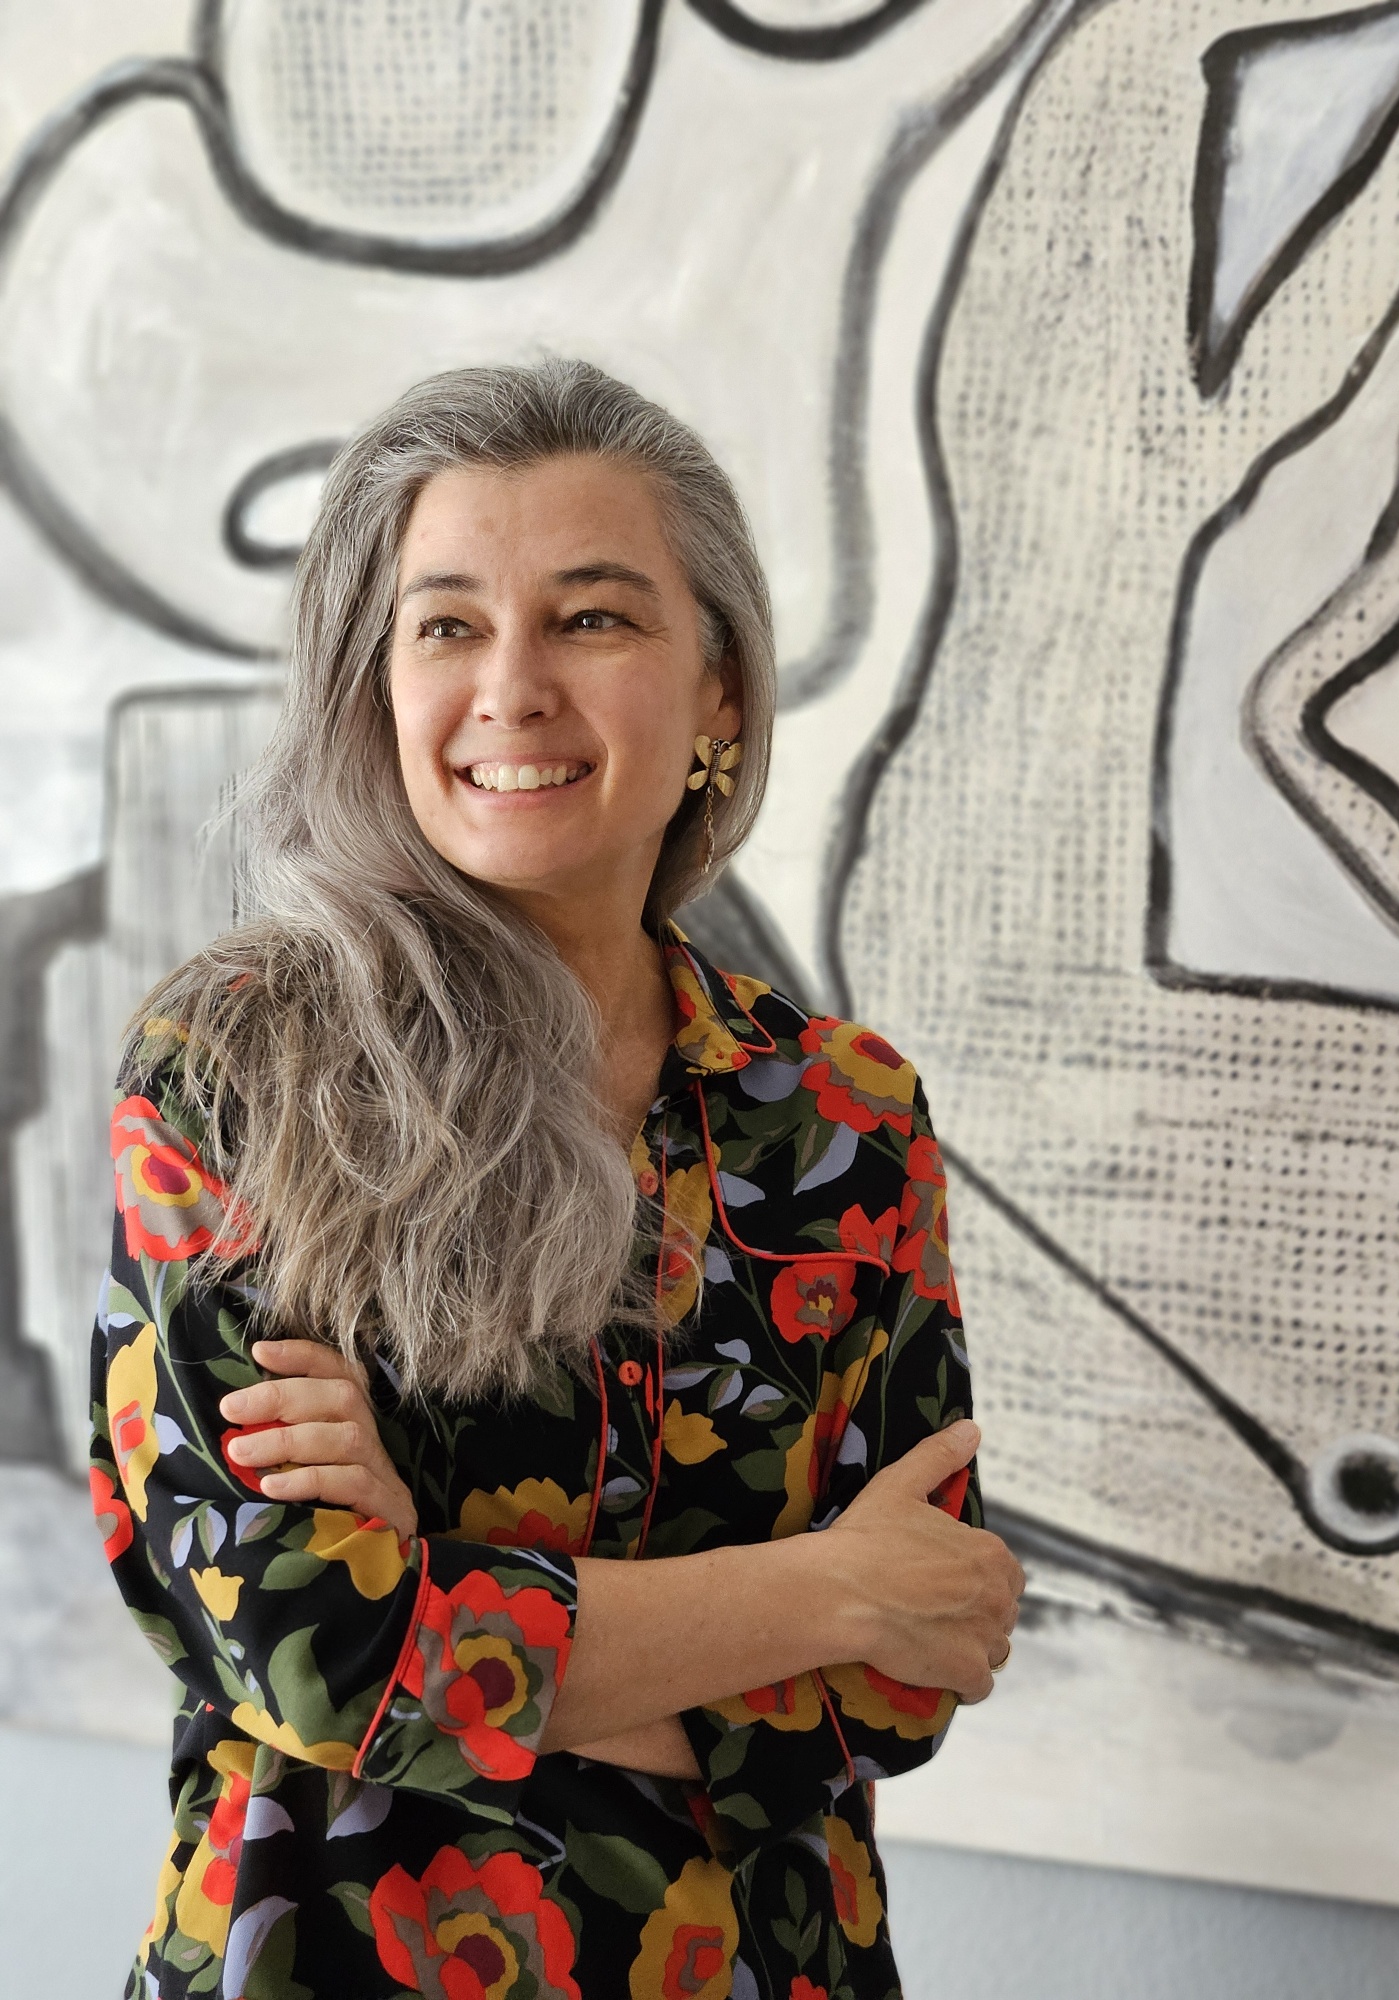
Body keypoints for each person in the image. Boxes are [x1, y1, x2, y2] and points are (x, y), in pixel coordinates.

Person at [91, 360, 1023, 2000]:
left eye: (591, 618)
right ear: (374, 686)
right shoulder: (240, 1070)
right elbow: (313, 1647)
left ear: (720, 690)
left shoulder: (843, 1115)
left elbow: (914, 1668)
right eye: (447, 626)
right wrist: (822, 1588)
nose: (511, 688)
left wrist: (450, 1600)